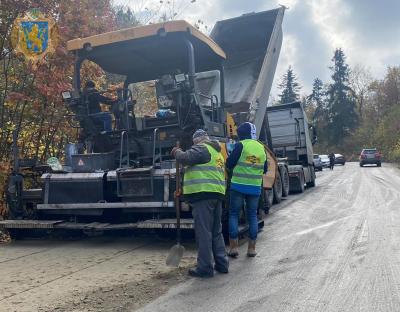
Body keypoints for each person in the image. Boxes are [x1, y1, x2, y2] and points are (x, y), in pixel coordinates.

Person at [171, 129, 229, 278]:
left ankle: (205, 268)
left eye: (194, 142)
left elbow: (186, 157)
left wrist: (176, 152)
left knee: (204, 233)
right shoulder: (217, 152)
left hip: (203, 196)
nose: (193, 144)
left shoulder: (202, 147)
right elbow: (199, 170)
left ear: (197, 140)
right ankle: (222, 264)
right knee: (216, 231)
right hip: (216, 194)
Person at [226, 122, 267, 258]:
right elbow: (265, 169)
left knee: (233, 214)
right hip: (254, 188)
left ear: (241, 135)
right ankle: (251, 248)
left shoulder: (240, 145)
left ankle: (233, 248)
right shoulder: (261, 147)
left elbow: (229, 163)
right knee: (252, 215)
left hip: (238, 186)